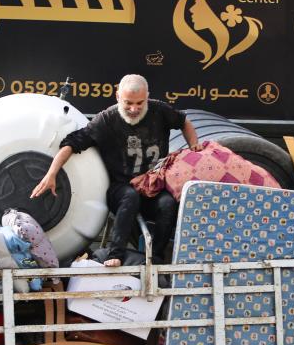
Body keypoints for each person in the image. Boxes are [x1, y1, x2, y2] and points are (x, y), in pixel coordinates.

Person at [30, 74, 200, 265]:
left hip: (152, 187)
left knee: (168, 203)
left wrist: (194, 146)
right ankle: (115, 255)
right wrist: (51, 173)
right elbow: (72, 143)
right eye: (128, 103)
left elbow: (183, 121)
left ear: (147, 97)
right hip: (120, 189)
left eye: (140, 103)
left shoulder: (159, 110)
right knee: (130, 196)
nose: (134, 109)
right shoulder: (107, 119)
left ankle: (156, 259)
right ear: (118, 96)